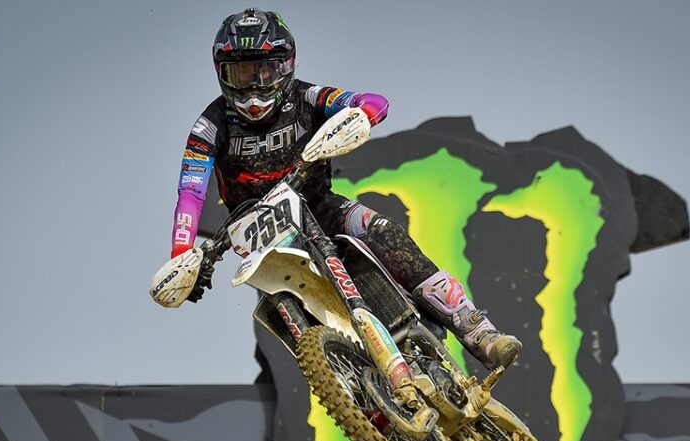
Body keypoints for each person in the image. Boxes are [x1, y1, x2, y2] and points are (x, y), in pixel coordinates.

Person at [168, 7, 520, 369]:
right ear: (222, 73)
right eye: (241, 74)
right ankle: (355, 389)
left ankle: (478, 331)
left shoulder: (307, 97)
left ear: (286, 66)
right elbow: (191, 192)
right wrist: (181, 253)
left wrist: (363, 112)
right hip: (264, 238)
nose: (254, 86)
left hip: (321, 207)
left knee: (384, 233)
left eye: (264, 70)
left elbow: (370, 101)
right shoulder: (209, 126)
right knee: (282, 315)